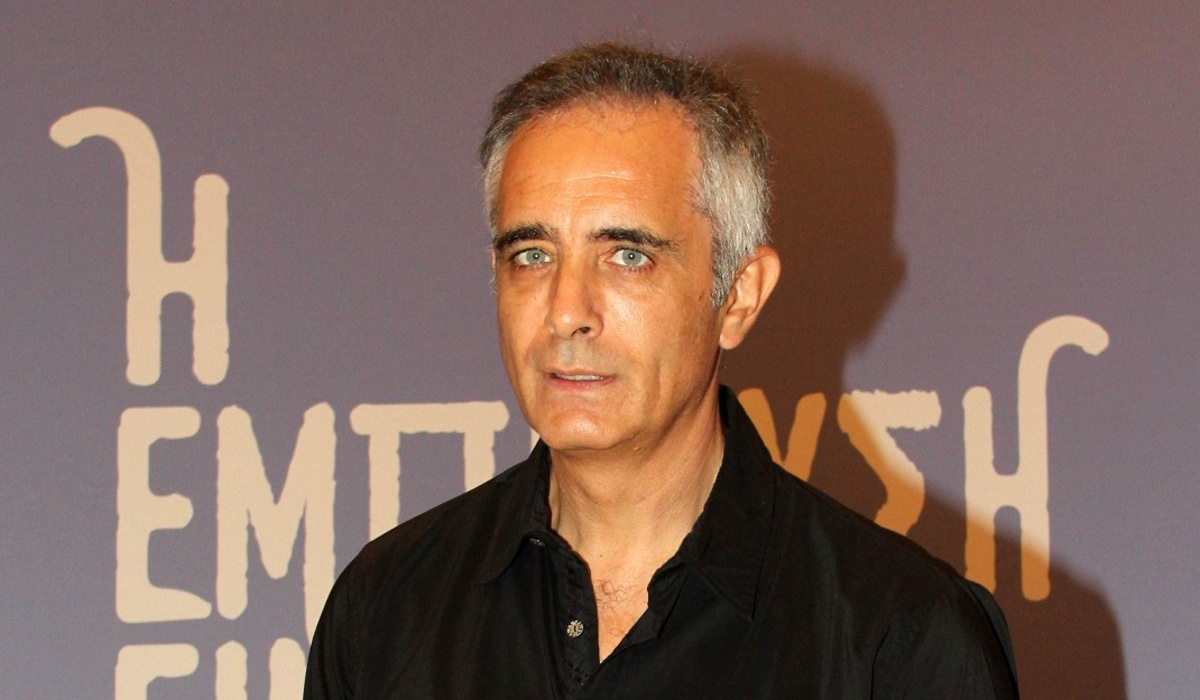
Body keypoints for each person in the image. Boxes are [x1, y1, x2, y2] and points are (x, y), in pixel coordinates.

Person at [304, 43, 1020, 699]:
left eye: (627, 256)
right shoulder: (386, 612)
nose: (566, 312)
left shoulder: (900, 640)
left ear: (738, 296)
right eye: (532, 256)